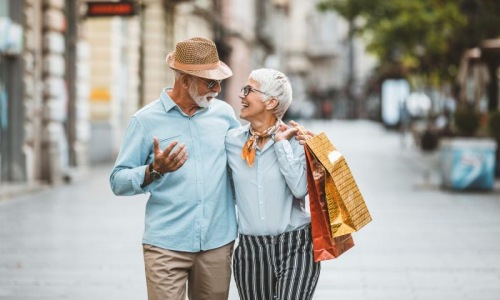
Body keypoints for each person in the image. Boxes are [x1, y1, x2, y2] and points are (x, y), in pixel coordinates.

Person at [109, 37, 240, 300]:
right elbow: (117, 180)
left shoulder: (224, 115)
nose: (217, 88)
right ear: (184, 80)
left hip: (217, 242)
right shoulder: (145, 120)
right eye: (209, 81)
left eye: (219, 81)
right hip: (165, 245)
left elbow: (246, 162)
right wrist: (153, 169)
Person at [225, 68, 321, 300]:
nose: (241, 95)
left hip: (296, 245)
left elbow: (300, 188)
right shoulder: (231, 142)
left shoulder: (297, 140)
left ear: (271, 102)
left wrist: (281, 145)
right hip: (250, 250)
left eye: (248, 90)